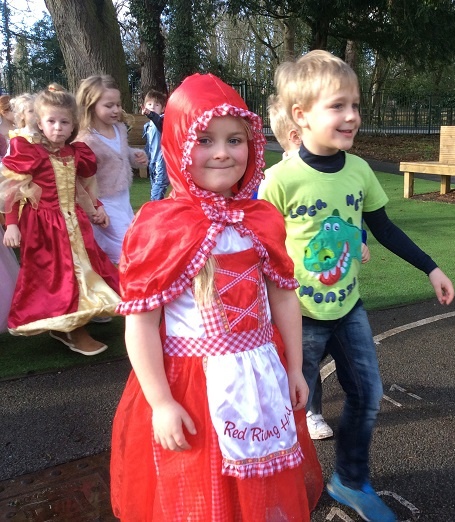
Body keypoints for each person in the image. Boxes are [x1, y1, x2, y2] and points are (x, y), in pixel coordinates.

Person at [110, 73, 323, 521]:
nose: (223, 152)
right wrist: (161, 401)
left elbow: (284, 298)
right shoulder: (160, 227)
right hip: (193, 387)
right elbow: (141, 323)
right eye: (204, 140)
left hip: (261, 376)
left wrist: (294, 367)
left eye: (235, 140)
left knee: (261, 484)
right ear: (178, 145)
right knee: (202, 482)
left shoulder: (261, 219)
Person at [258, 50, 455, 522]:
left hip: (348, 310)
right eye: (338, 106)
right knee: (287, 406)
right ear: (301, 116)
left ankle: (349, 478)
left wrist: (430, 267)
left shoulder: (359, 171)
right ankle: (272, 488)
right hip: (298, 317)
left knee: (367, 394)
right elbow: (257, 248)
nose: (352, 116)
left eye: (355, 105)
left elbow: (383, 227)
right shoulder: (279, 180)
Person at [268, 92, 371, 441]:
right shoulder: (280, 179)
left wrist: (361, 241)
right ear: (297, 133)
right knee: (306, 361)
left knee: (343, 358)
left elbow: (350, 213)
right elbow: (264, 233)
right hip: (300, 300)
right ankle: (311, 411)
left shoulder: (344, 171)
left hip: (339, 298)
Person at [0, 84, 120, 354]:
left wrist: (96, 208)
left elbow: (80, 186)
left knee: (83, 269)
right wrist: (11, 225)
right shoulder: (29, 152)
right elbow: (13, 190)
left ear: (73, 124)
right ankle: (70, 329)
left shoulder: (74, 152)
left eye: (64, 122)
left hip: (74, 221)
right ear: (40, 123)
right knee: (56, 275)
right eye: (51, 121)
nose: (58, 128)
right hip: (43, 225)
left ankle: (77, 318)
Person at [75, 74, 147, 264]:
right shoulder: (86, 140)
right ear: (91, 105)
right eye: (109, 106)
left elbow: (121, 152)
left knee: (132, 239)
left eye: (118, 104)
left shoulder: (119, 128)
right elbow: (80, 179)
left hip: (123, 197)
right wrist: (94, 206)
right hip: (104, 201)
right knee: (125, 246)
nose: (116, 110)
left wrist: (135, 156)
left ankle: (120, 275)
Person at [141, 89, 169, 200]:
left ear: (163, 108)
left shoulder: (162, 121)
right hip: (152, 161)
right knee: (154, 186)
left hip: (162, 160)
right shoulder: (147, 126)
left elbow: (158, 121)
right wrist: (144, 156)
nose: (152, 107)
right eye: (149, 104)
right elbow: (149, 144)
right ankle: (158, 206)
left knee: (159, 187)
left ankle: (155, 206)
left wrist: (150, 114)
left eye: (156, 105)